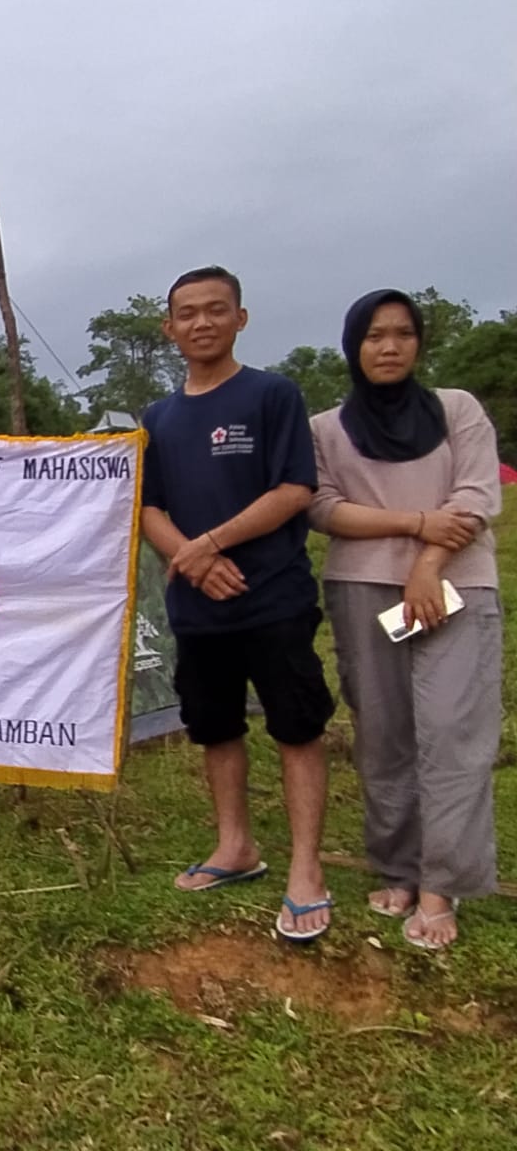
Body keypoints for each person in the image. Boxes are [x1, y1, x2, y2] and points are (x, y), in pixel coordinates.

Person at [139, 266, 337, 940]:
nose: (201, 323)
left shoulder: (272, 394)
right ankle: (236, 848)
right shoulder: (158, 418)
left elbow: (294, 490)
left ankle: (306, 870)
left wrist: (208, 546)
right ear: (170, 330)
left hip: (272, 594)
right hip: (199, 607)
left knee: (296, 725)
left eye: (215, 310)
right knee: (215, 726)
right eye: (187, 314)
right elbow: (149, 507)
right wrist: (191, 562)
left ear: (240, 318)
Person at [309, 289, 503, 950]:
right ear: (353, 347)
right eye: (373, 336)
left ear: (420, 343)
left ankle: (440, 886)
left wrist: (427, 563)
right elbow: (325, 508)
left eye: (401, 334)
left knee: (452, 733)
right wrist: (415, 523)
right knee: (384, 733)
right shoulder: (327, 429)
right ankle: (395, 866)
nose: (388, 347)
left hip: (456, 590)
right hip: (364, 590)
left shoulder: (458, 412)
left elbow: (477, 494)